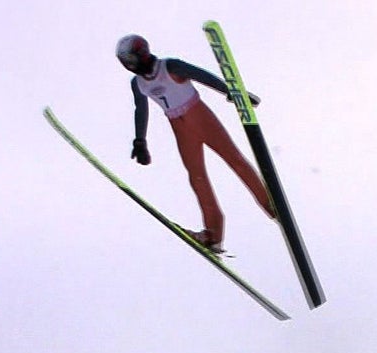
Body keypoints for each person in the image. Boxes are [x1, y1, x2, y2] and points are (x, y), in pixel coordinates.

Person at [116, 34, 274, 253]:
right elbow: (140, 109)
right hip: (178, 125)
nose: (129, 67)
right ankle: (213, 235)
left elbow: (202, 77)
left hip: (198, 115)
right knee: (196, 176)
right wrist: (140, 141)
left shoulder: (169, 66)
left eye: (130, 61)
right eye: (126, 63)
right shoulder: (138, 83)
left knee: (233, 158)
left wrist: (233, 93)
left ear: (141, 55)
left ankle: (271, 205)